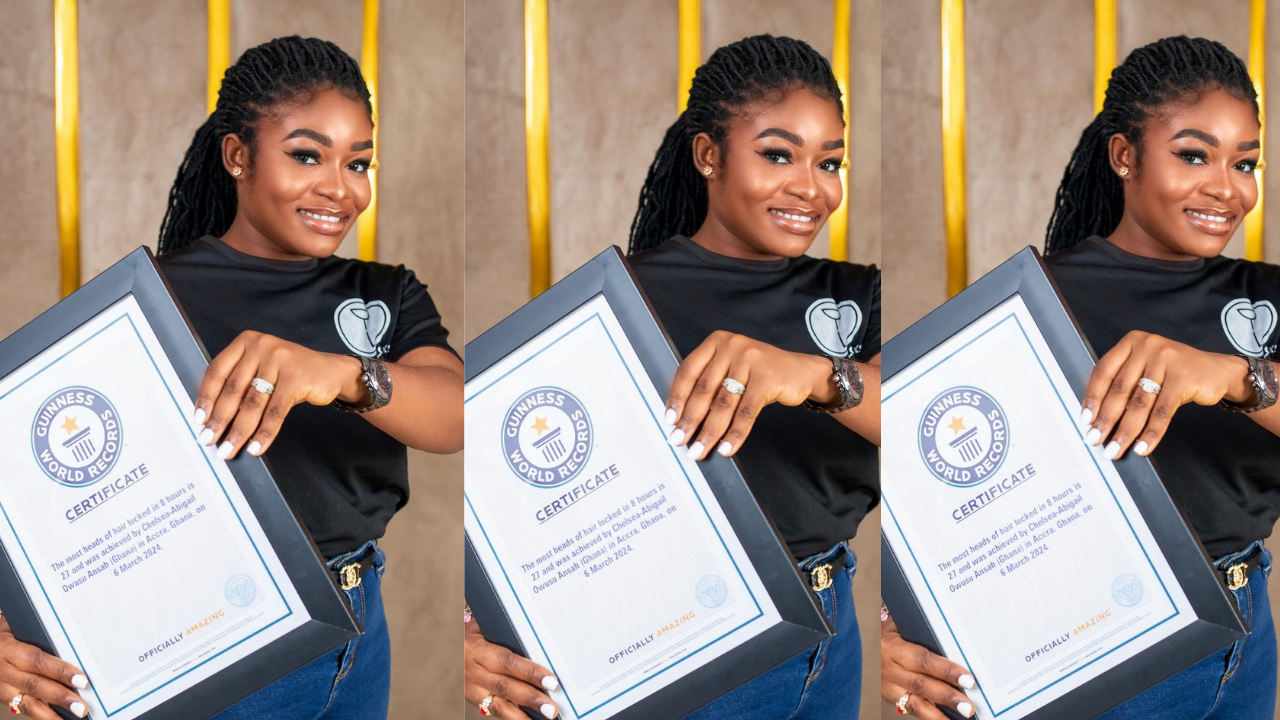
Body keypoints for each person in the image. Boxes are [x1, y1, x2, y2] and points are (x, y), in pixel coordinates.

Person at [0, 36, 463, 720]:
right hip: (217, 638)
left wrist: (337, 373)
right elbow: (39, 470)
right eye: (307, 154)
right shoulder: (153, 300)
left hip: (361, 628)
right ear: (238, 156)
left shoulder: (384, 294)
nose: (340, 187)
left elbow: (459, 412)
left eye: (358, 162)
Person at [464, 35, 880, 720]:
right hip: (682, 640)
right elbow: (519, 485)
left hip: (832, 638)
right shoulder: (618, 303)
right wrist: (475, 634)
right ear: (709, 155)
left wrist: (811, 374)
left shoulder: (858, 295)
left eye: (830, 162)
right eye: (778, 154)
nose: (812, 187)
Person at [881, 36, 1280, 720]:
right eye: (1193, 154)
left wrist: (1232, 377)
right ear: (1124, 156)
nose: (1226, 187)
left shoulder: (1265, 297)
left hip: (1247, 638)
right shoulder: (1033, 307)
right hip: (1103, 644)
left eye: (1245, 162)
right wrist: (902, 632)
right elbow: (937, 486)